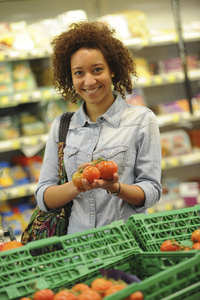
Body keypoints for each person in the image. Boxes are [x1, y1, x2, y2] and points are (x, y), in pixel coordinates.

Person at [35, 21, 162, 235]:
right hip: (78, 249)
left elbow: (151, 191)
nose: (89, 81)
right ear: (70, 77)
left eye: (97, 70)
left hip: (125, 243)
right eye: (79, 73)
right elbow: (44, 197)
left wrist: (115, 188)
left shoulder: (141, 120)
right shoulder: (62, 126)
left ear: (112, 69)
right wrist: (78, 184)